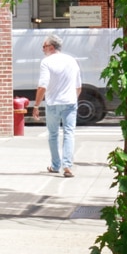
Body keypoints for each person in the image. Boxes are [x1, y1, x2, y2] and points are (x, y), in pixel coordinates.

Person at [39, 36, 81, 178]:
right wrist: (73, 98)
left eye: (44, 46)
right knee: (69, 133)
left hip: (53, 102)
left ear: (51, 47)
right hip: (70, 102)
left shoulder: (46, 62)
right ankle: (67, 166)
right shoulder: (72, 60)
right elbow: (78, 86)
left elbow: (42, 86)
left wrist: (36, 105)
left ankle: (56, 165)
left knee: (53, 134)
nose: (43, 49)